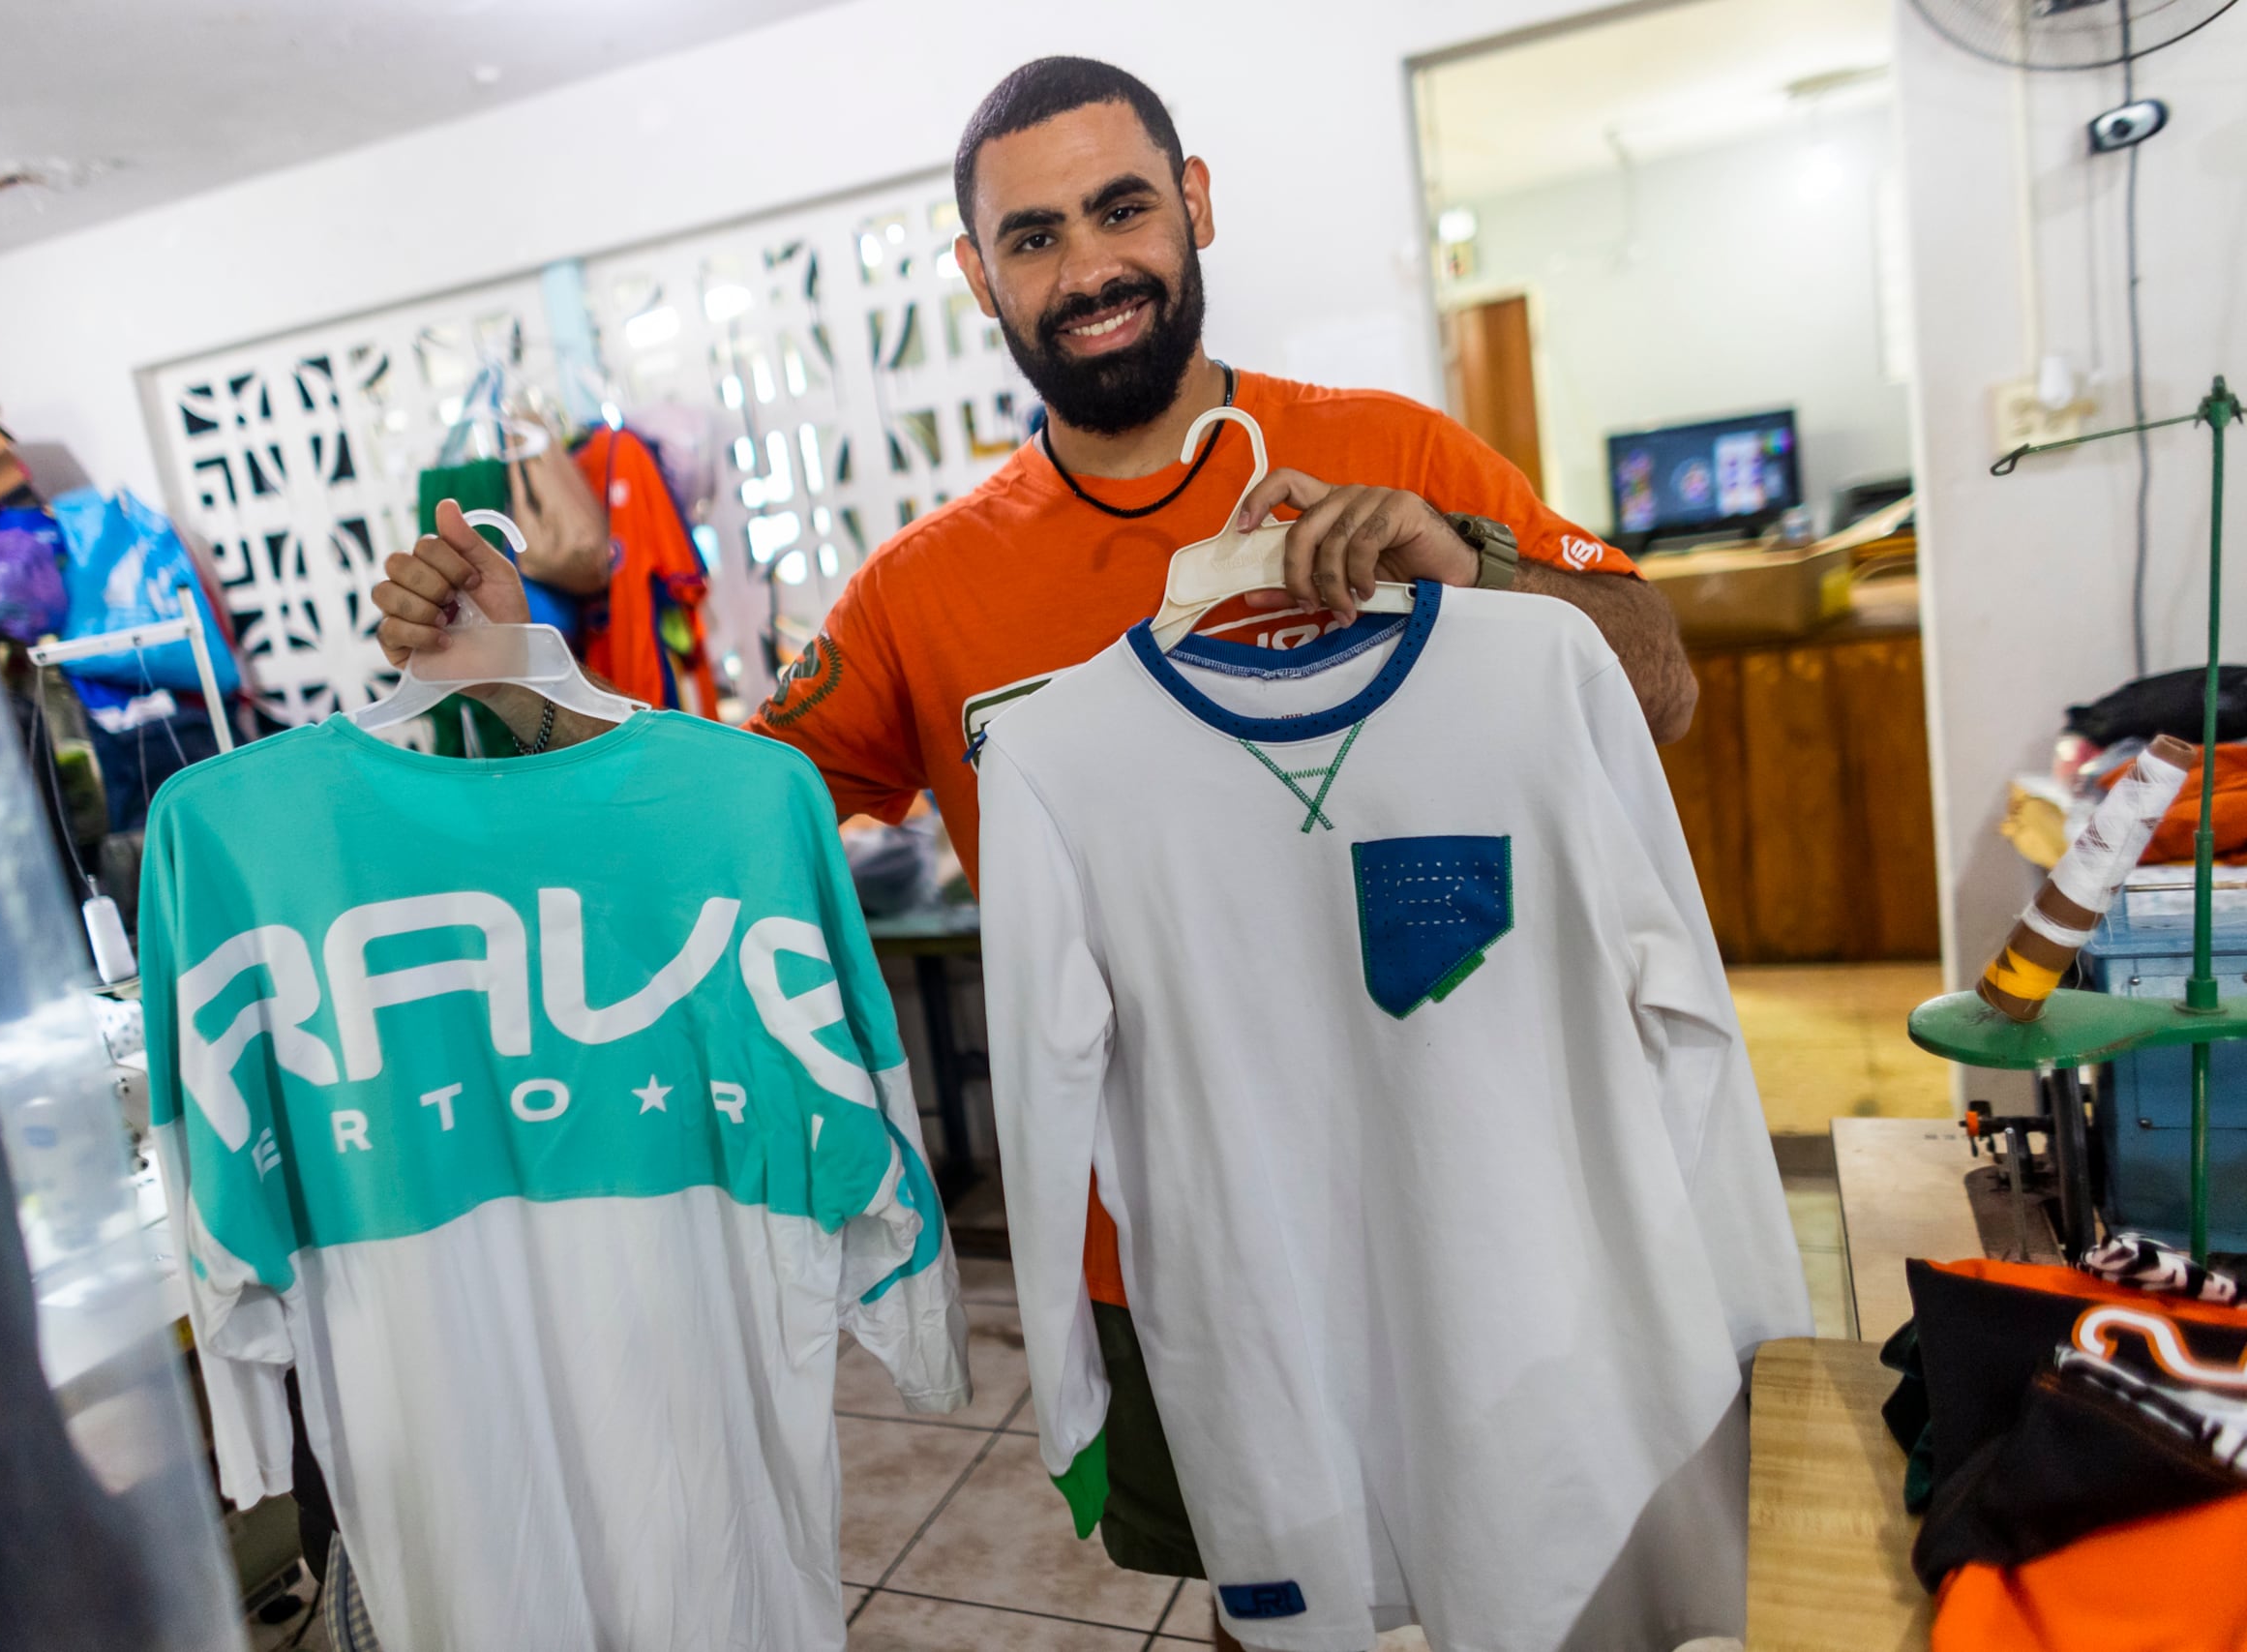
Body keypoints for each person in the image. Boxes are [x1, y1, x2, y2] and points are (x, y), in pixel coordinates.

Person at [372, 55, 1700, 1649]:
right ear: (977, 274)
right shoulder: (926, 592)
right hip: (1168, 1231)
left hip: (1467, 1165)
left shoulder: (1397, 455)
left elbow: (1657, 684)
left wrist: (1465, 566)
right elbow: (711, 819)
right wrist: (529, 677)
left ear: (1195, 202)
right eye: (1035, 238)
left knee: (1539, 1563)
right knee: (1271, 1598)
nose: (1088, 271)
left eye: (1122, 209)